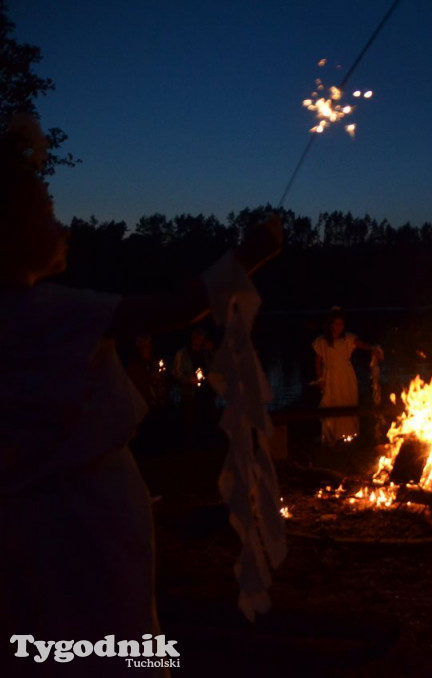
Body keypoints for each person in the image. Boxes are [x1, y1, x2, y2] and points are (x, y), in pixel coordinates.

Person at [0, 114, 282, 676]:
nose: (64, 225)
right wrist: (250, 257)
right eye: (46, 211)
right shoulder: (46, 311)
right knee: (98, 637)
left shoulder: (30, 317)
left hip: (50, 523)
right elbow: (180, 305)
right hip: (79, 529)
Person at [313, 307, 383, 444]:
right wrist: (320, 379)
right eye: (336, 324)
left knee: (347, 400)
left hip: (346, 375)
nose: (339, 327)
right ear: (330, 324)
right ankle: (330, 435)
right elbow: (317, 362)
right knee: (331, 402)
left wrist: (372, 348)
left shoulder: (347, 338)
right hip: (330, 375)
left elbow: (360, 343)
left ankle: (348, 435)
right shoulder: (322, 341)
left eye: (341, 324)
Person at [172, 326, 217, 444]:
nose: (201, 342)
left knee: (207, 421)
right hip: (190, 394)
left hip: (206, 393)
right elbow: (177, 372)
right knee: (191, 423)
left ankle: (207, 444)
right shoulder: (183, 354)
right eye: (199, 339)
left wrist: (212, 352)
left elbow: (216, 368)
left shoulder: (206, 353)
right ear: (193, 339)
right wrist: (188, 380)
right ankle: (191, 446)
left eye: (203, 339)